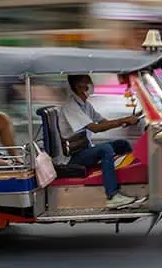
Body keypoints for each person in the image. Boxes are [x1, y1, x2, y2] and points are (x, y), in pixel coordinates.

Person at [59, 74, 143, 209]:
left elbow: (104, 122)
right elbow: (96, 128)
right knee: (105, 150)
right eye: (87, 82)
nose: (90, 86)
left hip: (85, 149)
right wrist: (122, 120)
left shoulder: (86, 105)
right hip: (72, 157)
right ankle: (112, 195)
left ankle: (129, 185)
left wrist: (126, 120)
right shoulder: (71, 107)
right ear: (78, 86)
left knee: (122, 144)